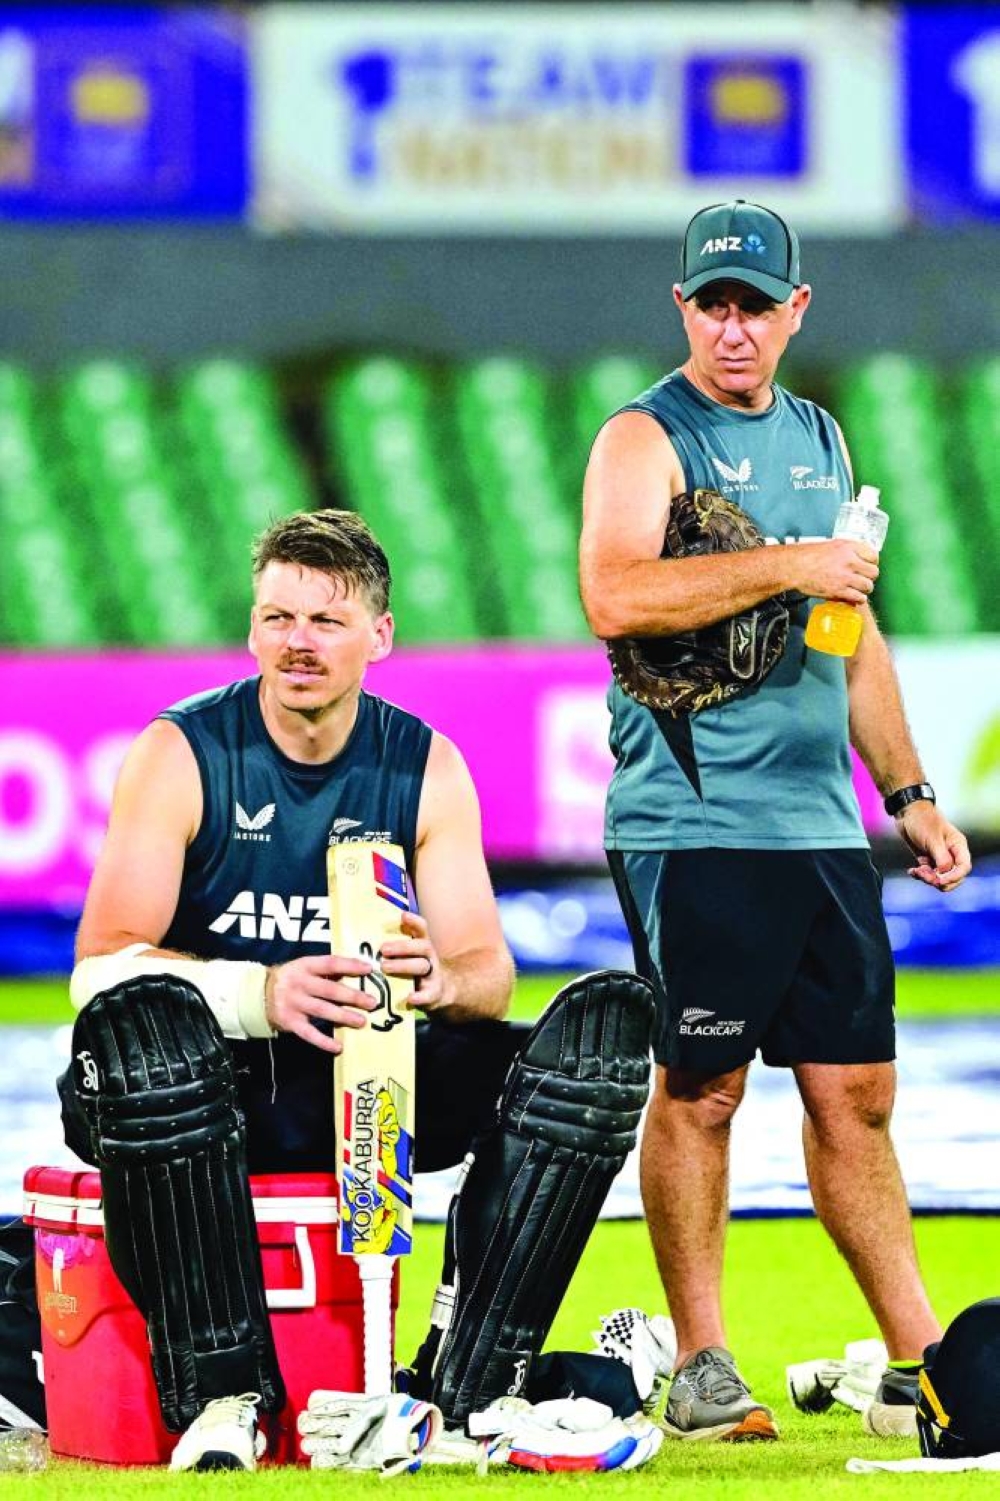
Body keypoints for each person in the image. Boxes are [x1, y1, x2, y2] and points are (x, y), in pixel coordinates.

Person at [578, 199, 972, 1444]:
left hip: (815, 823)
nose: (734, 325)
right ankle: (700, 1363)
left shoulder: (818, 432)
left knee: (854, 1090)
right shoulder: (645, 434)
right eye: (713, 302)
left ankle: (924, 1360)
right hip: (691, 823)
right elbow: (613, 592)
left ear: (797, 309)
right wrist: (791, 560)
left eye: (757, 303)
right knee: (701, 1087)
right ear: (682, 307)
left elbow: (847, 637)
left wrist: (904, 791)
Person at [61, 508, 520, 1467]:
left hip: (356, 1081)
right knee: (143, 1035)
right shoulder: (181, 752)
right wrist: (260, 994)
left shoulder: (426, 765)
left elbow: (488, 970)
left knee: (575, 1057)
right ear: (252, 627)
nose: (297, 643)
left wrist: (437, 978)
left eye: (325, 620)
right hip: (193, 1088)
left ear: (380, 636)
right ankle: (222, 1393)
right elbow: (100, 967)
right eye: (278, 618)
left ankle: (468, 1377)